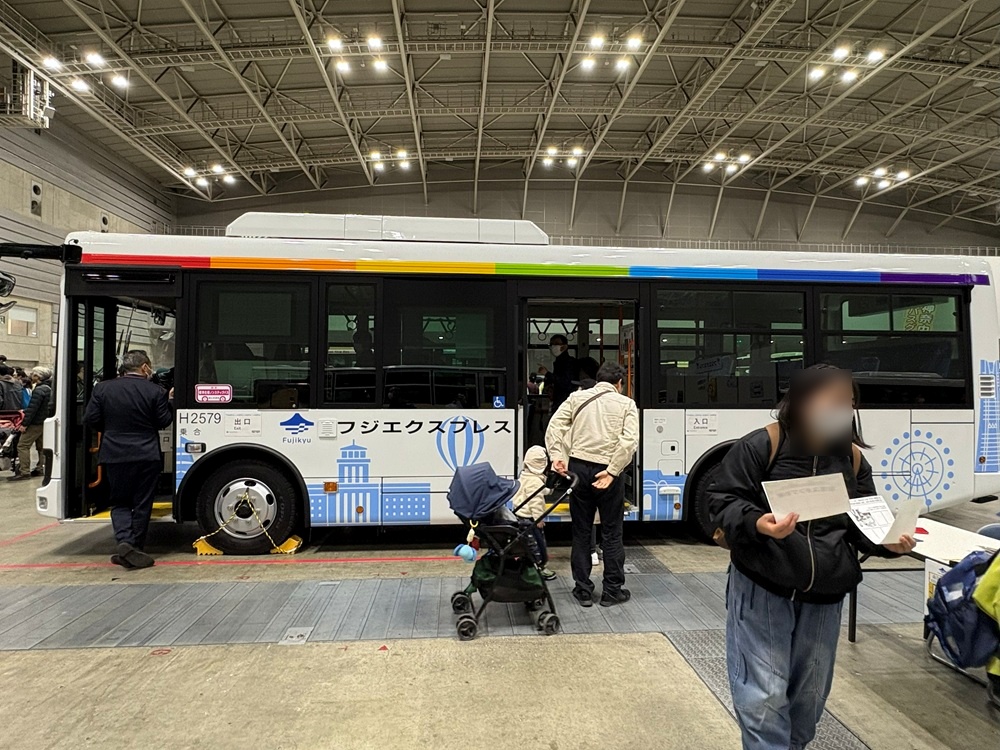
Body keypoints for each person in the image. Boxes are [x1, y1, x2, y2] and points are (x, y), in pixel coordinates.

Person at [708, 364, 916, 750]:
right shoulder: (763, 445)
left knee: (809, 697)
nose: (844, 409)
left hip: (825, 597)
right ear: (803, 400)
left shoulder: (852, 459)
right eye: (835, 400)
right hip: (763, 588)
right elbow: (721, 501)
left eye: (849, 402)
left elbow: (861, 519)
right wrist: (758, 523)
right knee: (764, 696)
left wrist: (885, 543)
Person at [545, 361, 639, 607]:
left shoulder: (577, 399)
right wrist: (612, 471)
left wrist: (558, 457)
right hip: (607, 470)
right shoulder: (626, 403)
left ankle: (583, 589)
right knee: (611, 532)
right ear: (619, 383)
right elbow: (629, 442)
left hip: (577, 469)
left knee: (581, 531)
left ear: (598, 380)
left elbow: (555, 426)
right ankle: (612, 591)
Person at [83, 351, 172, 569]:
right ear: (144, 368)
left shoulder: (103, 388)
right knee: (142, 502)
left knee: (120, 501)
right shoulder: (156, 391)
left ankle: (125, 542)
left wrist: (112, 431)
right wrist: (170, 401)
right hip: (146, 454)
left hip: (115, 453)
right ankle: (135, 548)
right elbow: (164, 420)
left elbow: (90, 418)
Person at [511, 445, 556, 581]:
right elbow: (536, 501)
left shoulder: (524, 475)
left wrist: (549, 490)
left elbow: (535, 491)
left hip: (519, 515)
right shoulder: (536, 481)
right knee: (536, 545)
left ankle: (530, 565)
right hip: (530, 519)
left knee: (527, 544)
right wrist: (539, 519)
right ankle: (539, 567)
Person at [9, 367, 51, 481]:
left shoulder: (39, 390)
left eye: (33, 374)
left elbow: (33, 408)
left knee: (23, 445)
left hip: (35, 423)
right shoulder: (49, 388)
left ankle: (24, 472)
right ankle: (40, 468)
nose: (31, 376)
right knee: (41, 447)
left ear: (38, 377)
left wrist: (24, 424)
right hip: (44, 422)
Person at [539, 334, 578, 412]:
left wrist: (547, 374)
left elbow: (566, 383)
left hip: (565, 402)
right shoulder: (559, 362)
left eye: (556, 343)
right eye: (551, 344)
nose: (553, 346)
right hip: (560, 401)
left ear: (564, 346)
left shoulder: (568, 363)